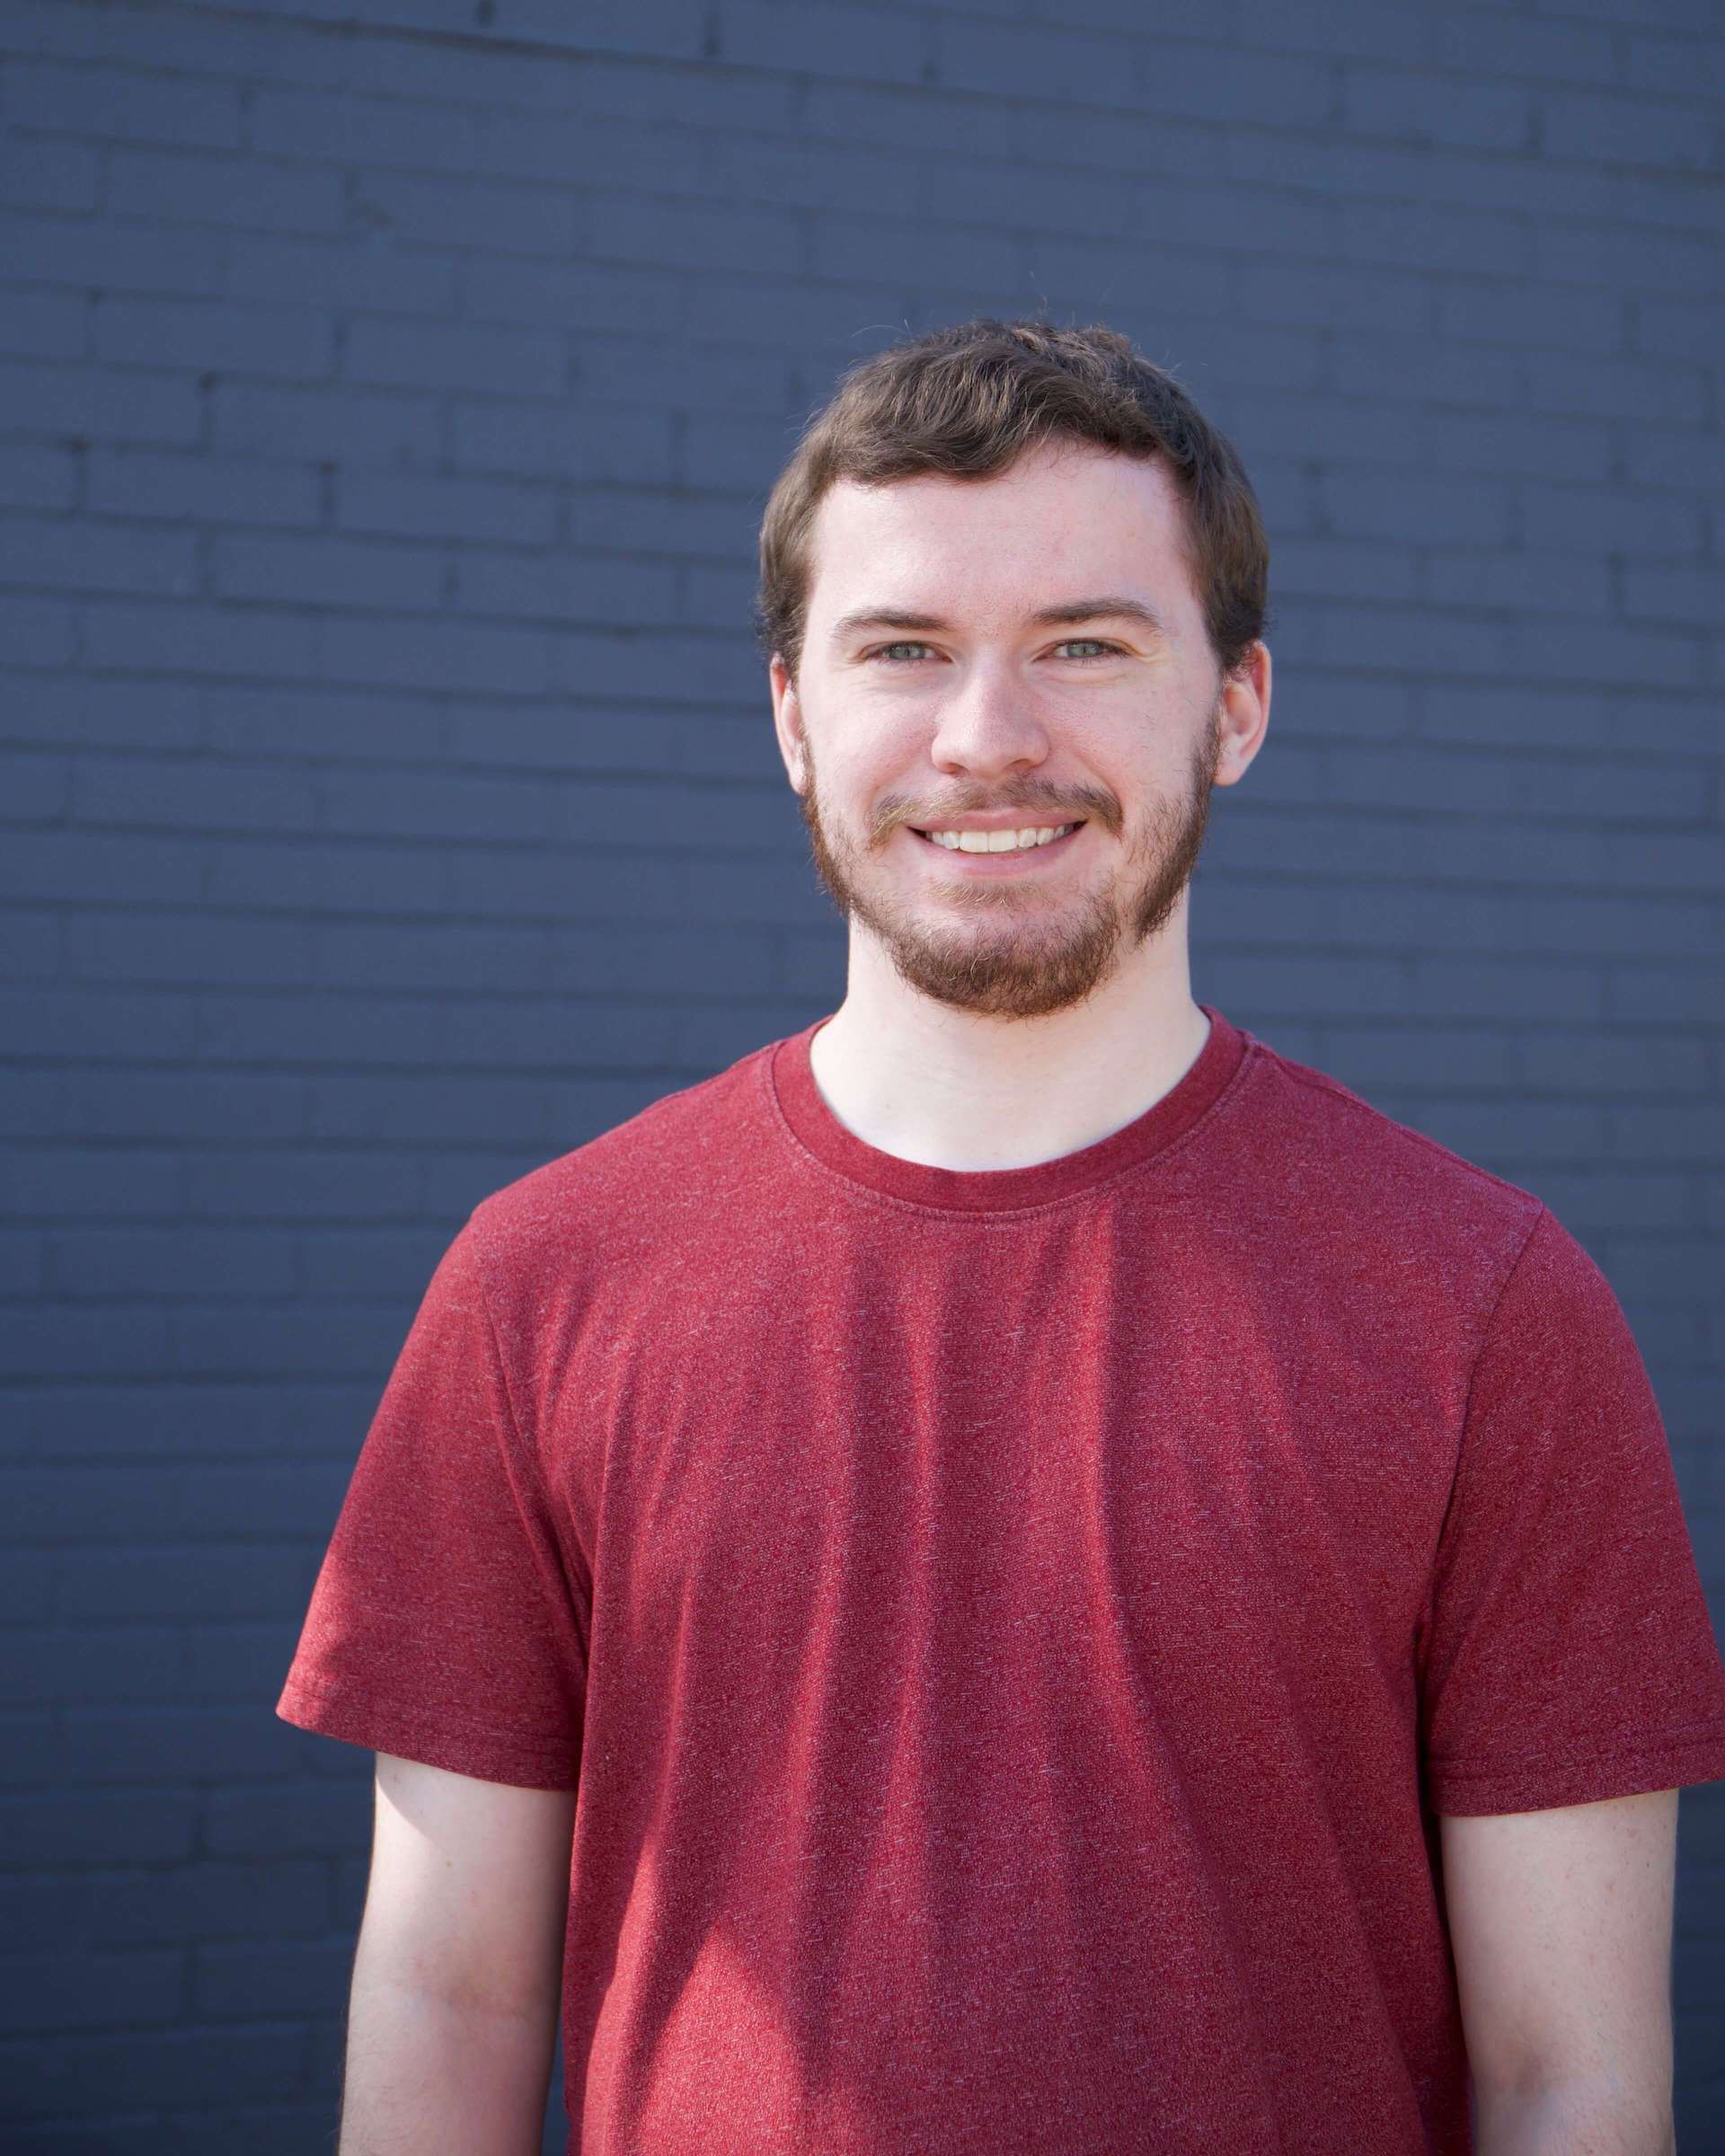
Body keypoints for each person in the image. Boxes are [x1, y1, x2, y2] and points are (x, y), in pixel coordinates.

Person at [277, 317, 1725, 2156]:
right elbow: (447, 1991)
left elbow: (1572, 2075)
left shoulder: (1488, 1309)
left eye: (1086, 648)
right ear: (794, 716)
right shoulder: (543, 1283)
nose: (987, 738)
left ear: (1238, 705)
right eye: (904, 651)